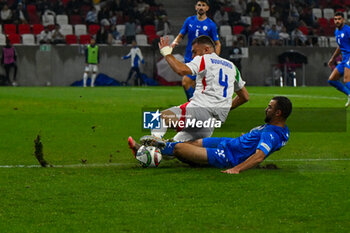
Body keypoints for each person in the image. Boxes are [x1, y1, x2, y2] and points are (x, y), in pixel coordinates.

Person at [129, 96, 291, 174]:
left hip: (228, 155)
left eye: (269, 107)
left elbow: (259, 156)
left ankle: (147, 150)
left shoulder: (272, 133)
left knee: (179, 149)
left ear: (278, 112)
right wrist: (248, 138)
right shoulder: (281, 130)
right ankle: (166, 151)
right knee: (192, 143)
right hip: (230, 142)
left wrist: (236, 169)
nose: (266, 109)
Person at [140, 35, 248, 143]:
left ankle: (150, 149)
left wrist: (167, 54)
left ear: (206, 49)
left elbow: (181, 70)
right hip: (211, 124)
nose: (193, 56)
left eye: (195, 52)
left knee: (158, 119)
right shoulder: (232, 67)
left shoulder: (204, 59)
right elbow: (245, 97)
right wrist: (226, 107)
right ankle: (153, 149)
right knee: (174, 146)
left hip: (198, 110)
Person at [171, 0, 221, 101]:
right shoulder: (189, 20)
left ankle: (194, 105)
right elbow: (181, 35)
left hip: (203, 59)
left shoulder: (211, 24)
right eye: (199, 5)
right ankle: (197, 106)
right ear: (195, 7)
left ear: (207, 8)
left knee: (187, 82)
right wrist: (174, 43)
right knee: (191, 84)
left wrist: (215, 58)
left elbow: (217, 43)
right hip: (189, 58)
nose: (201, 7)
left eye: (203, 5)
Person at [327, 12, 350, 107]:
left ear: (343, 20)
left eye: (339, 19)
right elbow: (340, 46)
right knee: (332, 80)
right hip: (344, 58)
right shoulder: (337, 32)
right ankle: (349, 94)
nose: (337, 21)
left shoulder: (348, 30)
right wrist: (332, 58)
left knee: (346, 79)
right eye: (335, 19)